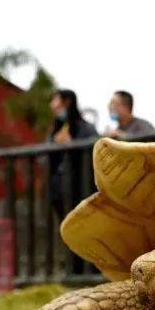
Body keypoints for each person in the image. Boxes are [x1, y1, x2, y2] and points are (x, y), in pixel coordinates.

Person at [47, 89, 98, 220]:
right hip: (59, 193)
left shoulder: (86, 128)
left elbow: (94, 153)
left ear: (67, 102)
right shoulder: (55, 130)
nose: (52, 105)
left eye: (55, 100)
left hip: (81, 191)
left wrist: (71, 144)